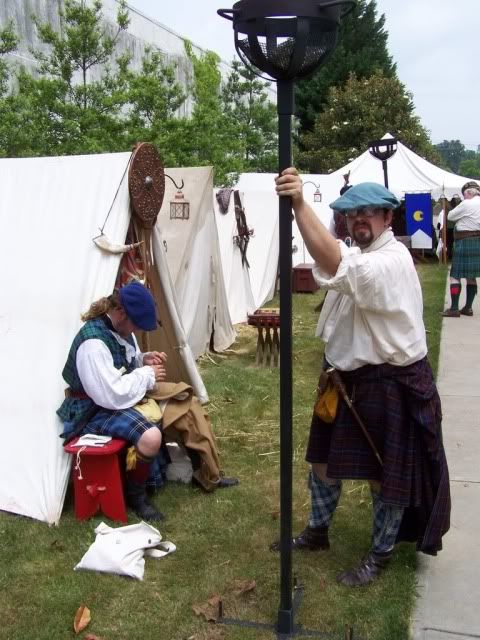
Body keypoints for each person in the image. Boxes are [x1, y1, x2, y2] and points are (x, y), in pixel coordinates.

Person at [272, 169, 450, 587]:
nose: (359, 221)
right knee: (321, 463)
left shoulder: (392, 261)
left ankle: (381, 554)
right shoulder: (362, 254)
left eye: (369, 213)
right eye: (352, 215)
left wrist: (299, 203)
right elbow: (334, 263)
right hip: (343, 379)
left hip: (389, 379)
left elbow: (334, 262)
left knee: (381, 473)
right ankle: (317, 533)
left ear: (389, 217)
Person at [57, 281, 238, 522]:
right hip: (93, 410)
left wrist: (143, 360)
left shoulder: (122, 329)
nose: (138, 331)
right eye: (136, 324)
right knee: (151, 436)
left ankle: (206, 472)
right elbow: (110, 394)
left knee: (185, 402)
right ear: (120, 312)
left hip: (119, 396)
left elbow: (121, 364)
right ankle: (137, 496)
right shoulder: (93, 344)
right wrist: (146, 375)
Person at [442, 181, 480, 317]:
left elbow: (450, 216)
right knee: (471, 277)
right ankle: (468, 308)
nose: (464, 197)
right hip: (478, 241)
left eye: (464, 194)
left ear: (469, 193)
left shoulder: (467, 203)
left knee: (455, 276)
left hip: (464, 241)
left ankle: (453, 309)